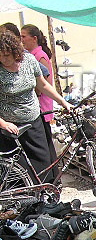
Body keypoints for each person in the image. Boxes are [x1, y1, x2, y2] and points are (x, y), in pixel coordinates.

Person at [0, 31, 70, 177]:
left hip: (33, 121)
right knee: (18, 170)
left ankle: (45, 196)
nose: (3, 59)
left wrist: (63, 102)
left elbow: (43, 85)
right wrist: (4, 124)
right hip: (10, 126)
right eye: (0, 55)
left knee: (43, 162)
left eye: (6, 55)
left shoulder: (29, 61)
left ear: (15, 52)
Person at [21, 24, 58, 176]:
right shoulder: (30, 55)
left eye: (24, 36)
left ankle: (54, 176)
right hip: (38, 105)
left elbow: (44, 82)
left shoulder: (39, 56)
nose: (21, 40)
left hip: (42, 104)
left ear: (34, 38)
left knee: (47, 144)